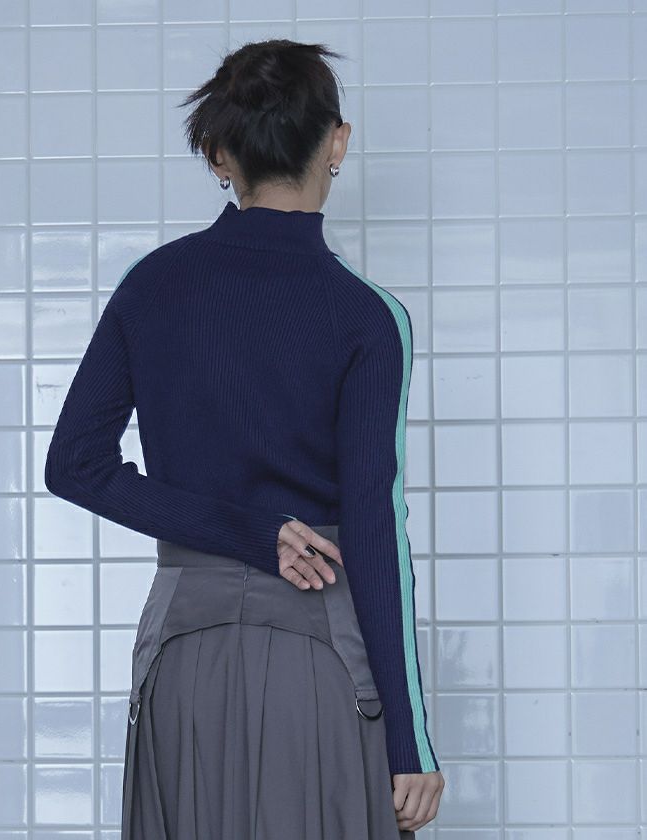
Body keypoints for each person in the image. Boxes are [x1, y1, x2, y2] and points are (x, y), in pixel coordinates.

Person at [44, 37, 444, 838]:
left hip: (182, 656)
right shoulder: (368, 318)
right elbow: (373, 527)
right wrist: (411, 742)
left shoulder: (151, 287)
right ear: (336, 142)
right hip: (321, 655)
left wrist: (239, 530)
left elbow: (74, 466)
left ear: (219, 153)